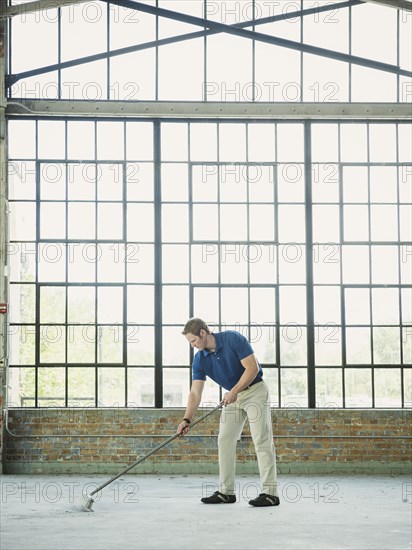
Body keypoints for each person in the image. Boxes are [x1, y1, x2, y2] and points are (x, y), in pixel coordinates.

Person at [177, 318, 280, 507]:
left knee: (261, 439)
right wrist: (186, 419)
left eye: (193, 341)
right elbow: (195, 392)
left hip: (255, 391)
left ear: (202, 333)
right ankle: (226, 492)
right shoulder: (200, 358)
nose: (193, 346)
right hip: (234, 397)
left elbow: (252, 368)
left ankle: (270, 493)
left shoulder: (233, 339)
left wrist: (233, 391)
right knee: (224, 439)